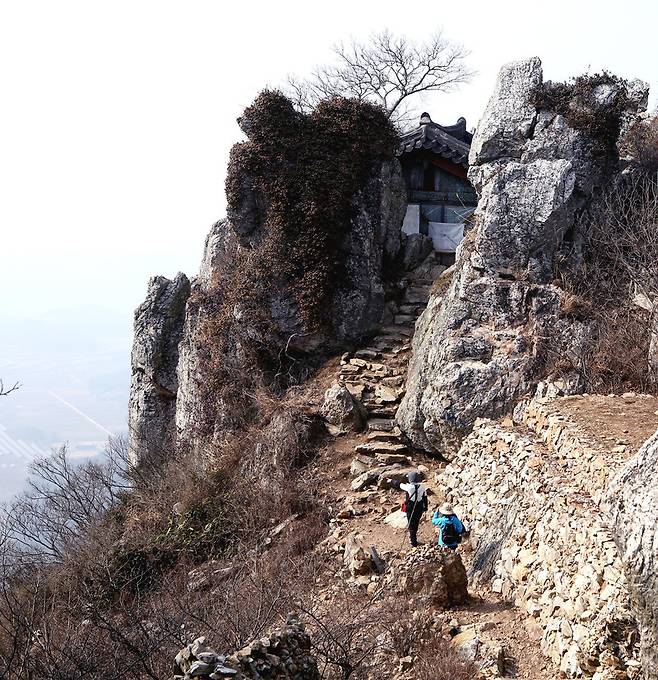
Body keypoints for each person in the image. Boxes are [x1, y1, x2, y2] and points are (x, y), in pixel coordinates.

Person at [386, 471, 428, 548]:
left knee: (411, 525)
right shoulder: (422, 487)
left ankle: (413, 542)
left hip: (410, 507)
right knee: (416, 523)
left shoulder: (408, 487)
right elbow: (425, 498)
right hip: (419, 507)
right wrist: (425, 508)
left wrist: (390, 480)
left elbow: (398, 484)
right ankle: (413, 539)